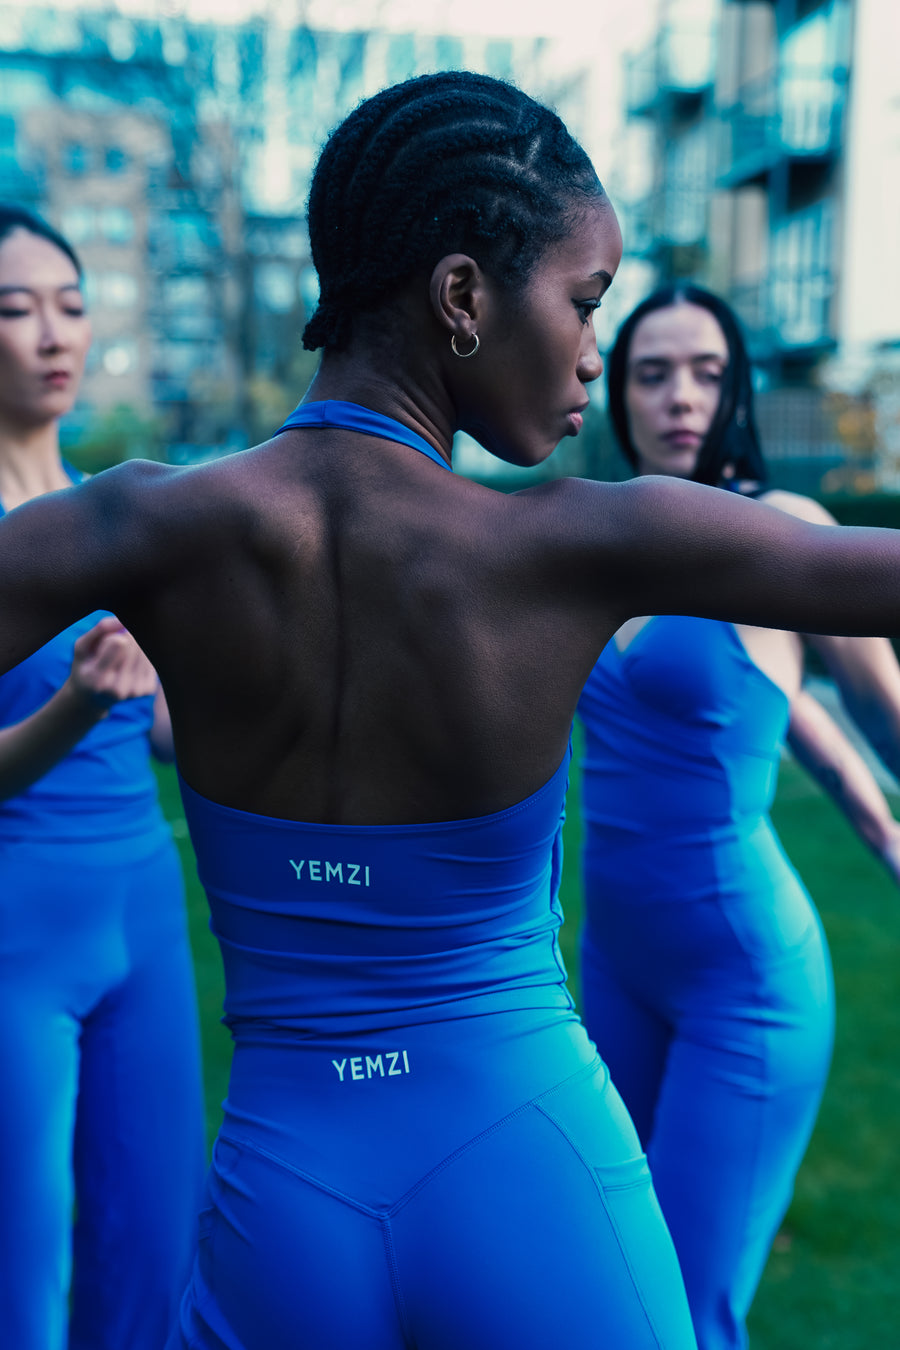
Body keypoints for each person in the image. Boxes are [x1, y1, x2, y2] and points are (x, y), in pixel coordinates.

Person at [1, 74, 900, 1350]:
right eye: (586, 304)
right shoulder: (579, 546)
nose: (595, 350)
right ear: (465, 296)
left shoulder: (152, 525)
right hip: (528, 1166)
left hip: (282, 1200)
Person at [576, 282, 900, 1350]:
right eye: (653, 372)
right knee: (603, 1276)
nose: (681, 398)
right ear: (616, 393)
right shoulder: (585, 546)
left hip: (746, 982)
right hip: (612, 966)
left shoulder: (781, 535)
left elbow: (875, 715)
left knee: (685, 1311)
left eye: (709, 374)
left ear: (740, 393)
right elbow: (788, 712)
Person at [0, 204, 205, 1350]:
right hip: (15, 934)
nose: (52, 333)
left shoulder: (115, 518)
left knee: (154, 1260)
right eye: (16, 308)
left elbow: (168, 730)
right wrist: (78, 701)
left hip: (145, 920)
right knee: (19, 1291)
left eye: (71, 307)